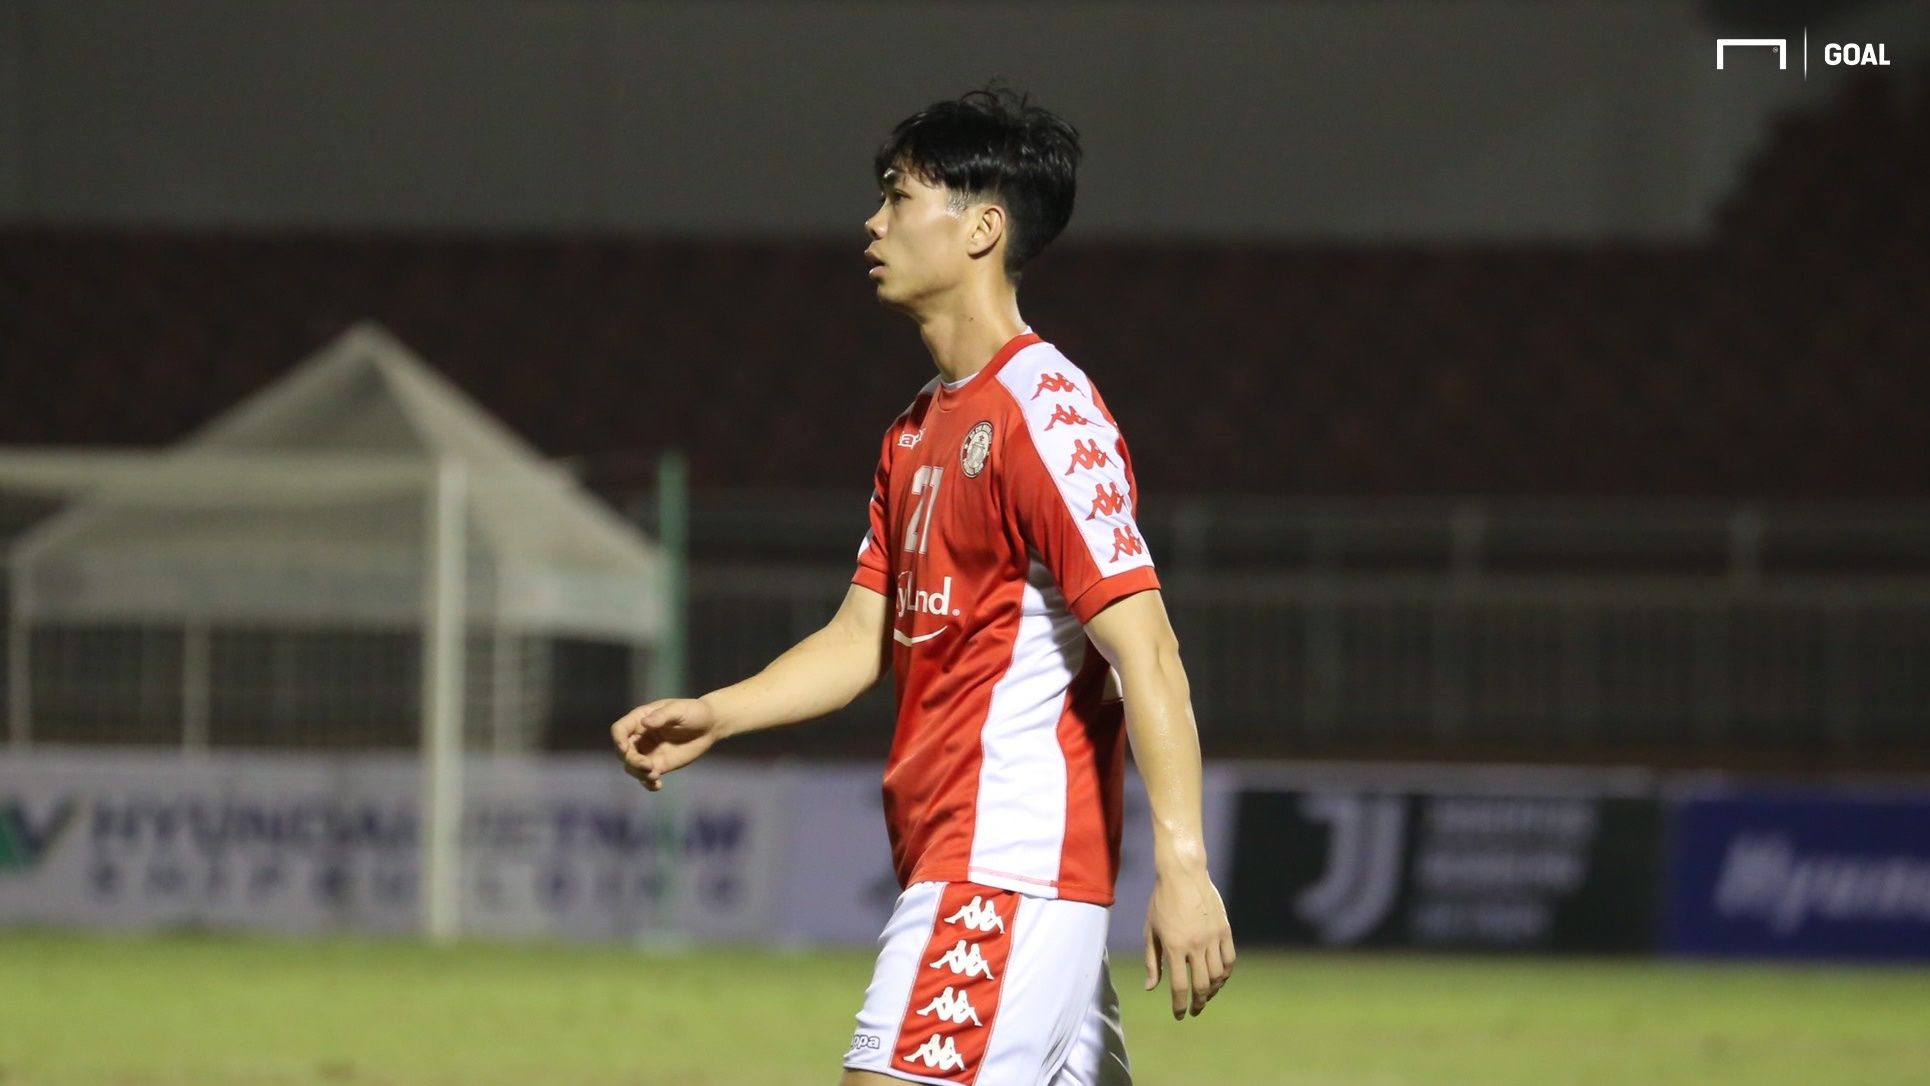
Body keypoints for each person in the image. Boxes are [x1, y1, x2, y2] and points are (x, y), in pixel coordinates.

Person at [610, 86, 1233, 1086]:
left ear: (983, 227)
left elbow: (1147, 650)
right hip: (970, 865)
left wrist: (1186, 867)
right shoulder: (915, 429)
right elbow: (862, 637)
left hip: (1005, 868)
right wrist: (717, 716)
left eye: (899, 198)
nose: (873, 222)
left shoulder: (1044, 412)